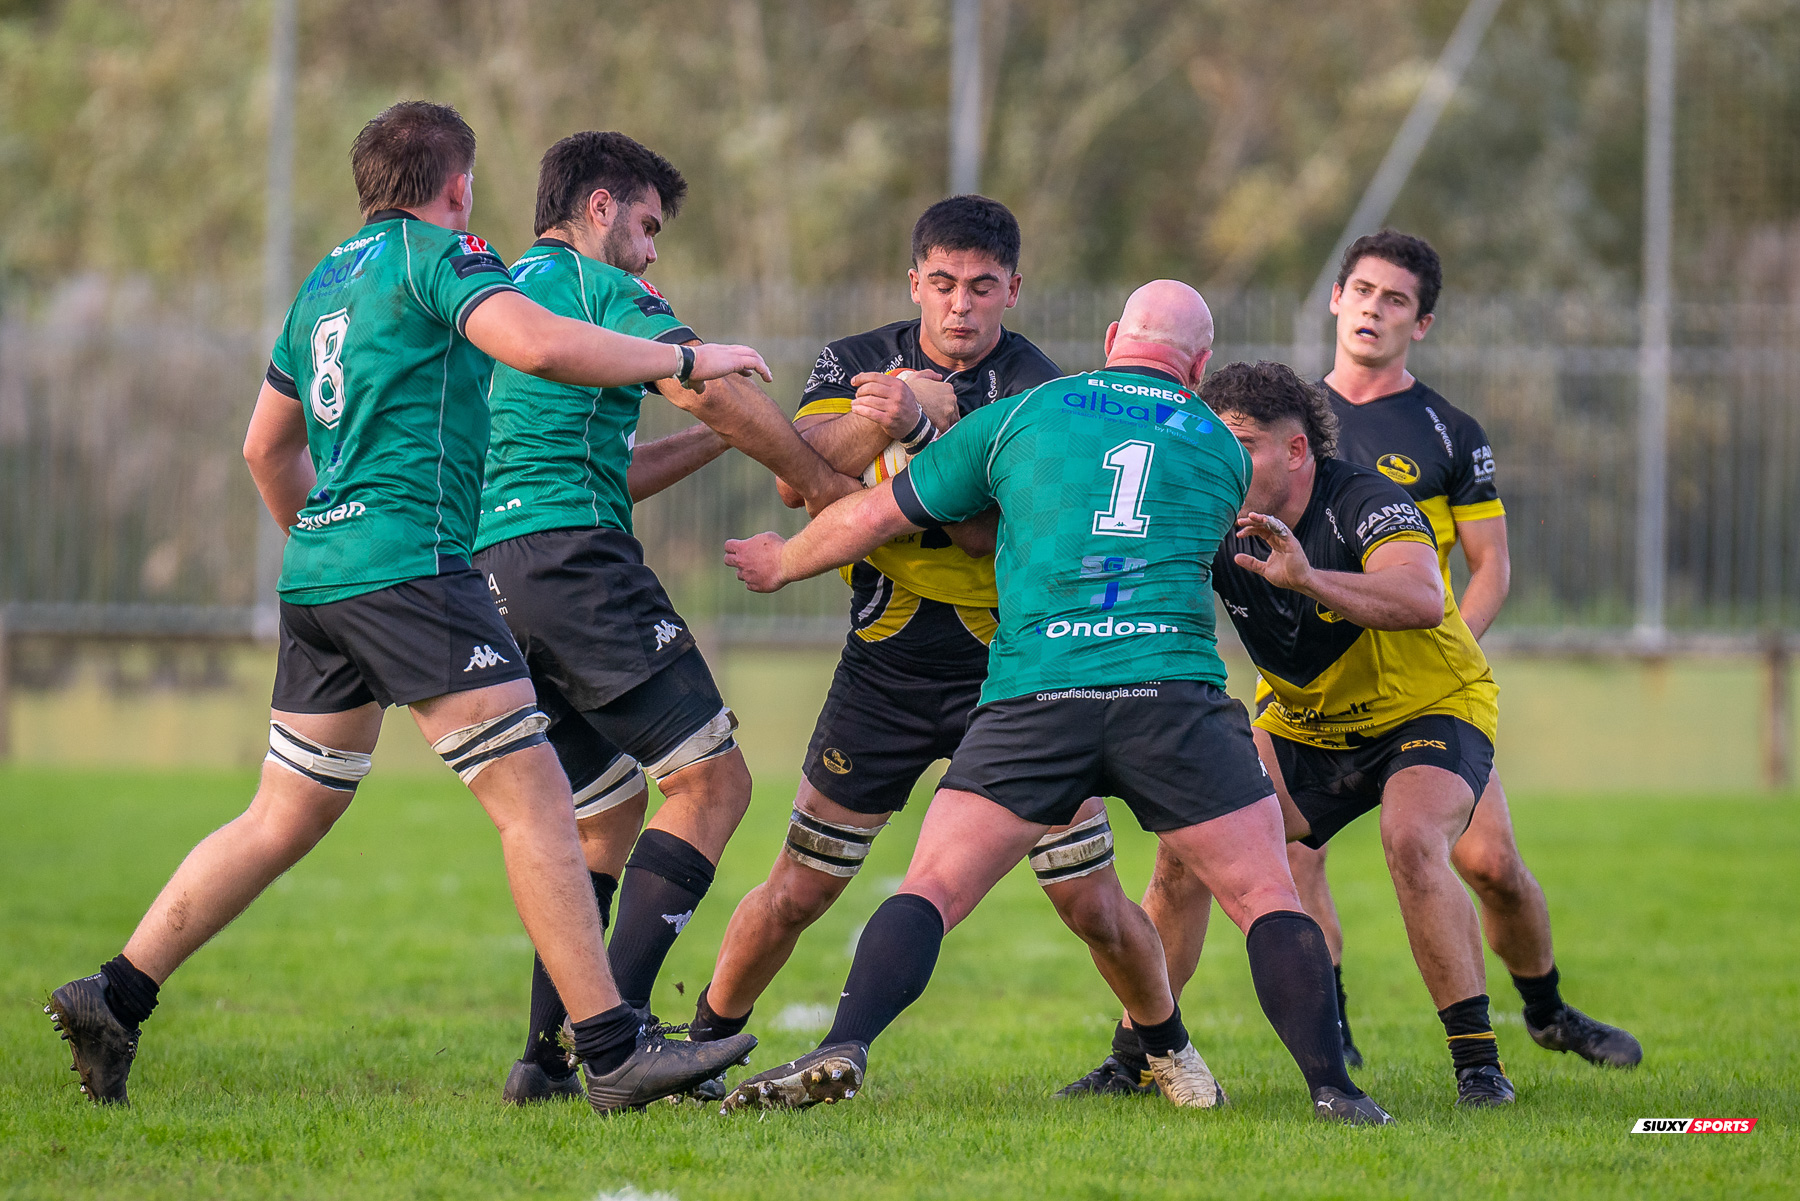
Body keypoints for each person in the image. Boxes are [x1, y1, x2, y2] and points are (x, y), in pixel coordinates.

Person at [44, 102, 763, 1113]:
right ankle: (609, 1049)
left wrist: (326, 541)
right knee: (542, 803)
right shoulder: (444, 253)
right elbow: (540, 347)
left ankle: (115, 992)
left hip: (321, 575)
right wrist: (685, 358)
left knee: (284, 813)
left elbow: (264, 447)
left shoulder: (324, 281)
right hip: (415, 570)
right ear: (456, 186)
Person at [716, 283, 1392, 1125]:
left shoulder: (1023, 413)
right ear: (1201, 365)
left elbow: (878, 513)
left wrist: (785, 562)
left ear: (1112, 338)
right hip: (1170, 691)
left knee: (931, 887)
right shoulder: (1221, 446)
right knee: (1266, 895)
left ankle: (846, 1041)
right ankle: (1336, 1090)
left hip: (1038, 689)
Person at [467, 131, 860, 1103]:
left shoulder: (504, 301)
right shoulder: (597, 287)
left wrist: (720, 446)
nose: (652, 253)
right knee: (715, 784)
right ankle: (625, 1042)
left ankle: (544, 1059)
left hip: (494, 576)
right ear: (598, 208)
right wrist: (817, 479)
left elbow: (616, 463)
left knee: (603, 818)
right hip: (575, 565)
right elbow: (710, 380)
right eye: (646, 227)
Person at [1055, 359, 1524, 1107]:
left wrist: (1306, 576)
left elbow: (1422, 595)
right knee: (1185, 850)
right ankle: (1133, 1059)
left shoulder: (1366, 499)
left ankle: (1478, 1065)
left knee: (1410, 838)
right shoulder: (1208, 515)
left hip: (1429, 708)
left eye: (1241, 442)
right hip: (1308, 721)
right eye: (1214, 439)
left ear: (1296, 450)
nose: (1221, 457)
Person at [684, 196, 1076, 1053]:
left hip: (1015, 675)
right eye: (942, 284)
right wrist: (883, 412)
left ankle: (1156, 1045)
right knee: (799, 887)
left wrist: (930, 425)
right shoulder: (856, 359)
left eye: (981, 286)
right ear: (915, 283)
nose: (960, 304)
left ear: (1014, 288)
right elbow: (797, 478)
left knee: (1087, 895)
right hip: (885, 670)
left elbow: (998, 528)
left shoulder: (1044, 389)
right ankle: (706, 1039)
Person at [1288, 231, 1640, 1072]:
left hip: (1425, 691)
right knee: (1291, 847)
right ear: (1336, 299)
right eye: (1363, 290)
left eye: (1396, 298)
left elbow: (1492, 568)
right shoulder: (1291, 422)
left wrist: (1439, 654)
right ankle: (1332, 1023)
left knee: (1490, 863)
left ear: (1425, 322)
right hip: (1316, 695)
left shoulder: (1449, 430)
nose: (1374, 308)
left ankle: (1547, 1010)